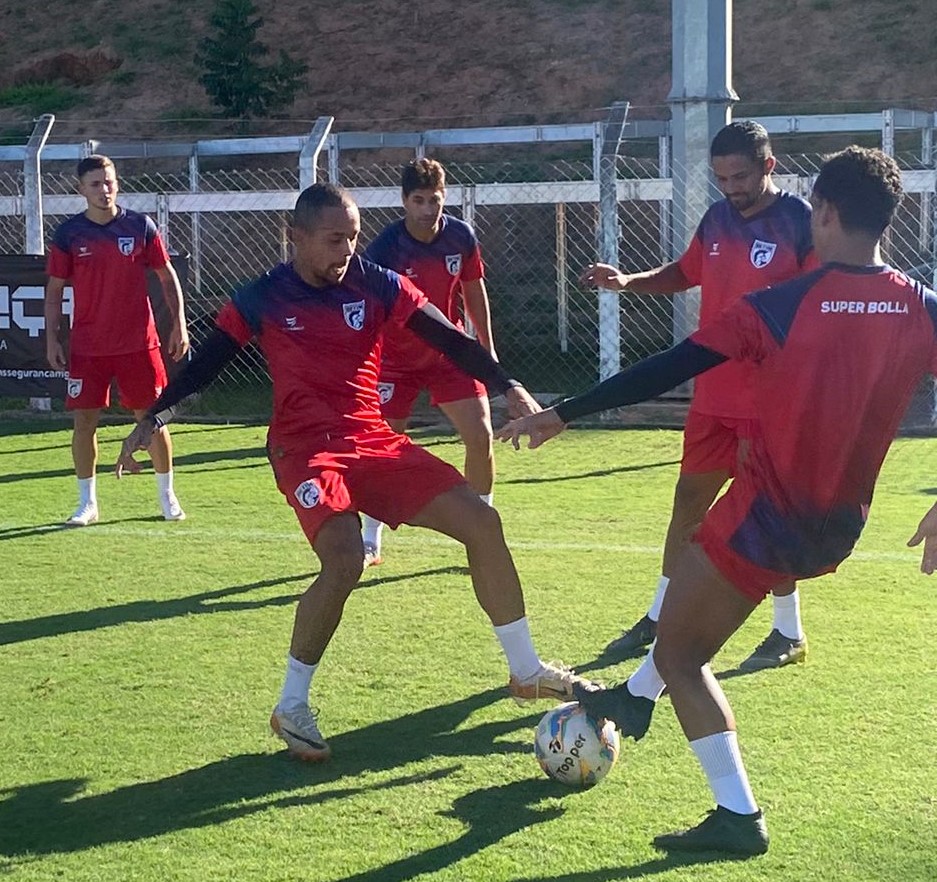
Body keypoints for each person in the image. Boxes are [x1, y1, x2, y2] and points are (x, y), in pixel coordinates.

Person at [498, 146, 936, 855]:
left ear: (821, 212)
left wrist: (564, 412)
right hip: (836, 527)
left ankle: (737, 817)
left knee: (681, 656)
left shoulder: (778, 306)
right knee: (682, 627)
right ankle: (631, 703)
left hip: (764, 516)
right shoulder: (921, 309)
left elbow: (670, 366)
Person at [115, 182, 589, 762]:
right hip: (304, 449)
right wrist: (154, 416)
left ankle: (525, 671)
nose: (348, 249)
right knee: (344, 561)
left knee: (482, 523)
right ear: (296, 237)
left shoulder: (376, 282)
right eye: (335, 238)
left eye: (355, 236)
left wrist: (509, 387)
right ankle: (291, 706)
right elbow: (206, 364)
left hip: (373, 439)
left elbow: (447, 335)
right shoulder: (262, 297)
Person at [582, 121, 816, 671]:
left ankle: (789, 631)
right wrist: (628, 282)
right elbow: (687, 272)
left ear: (769, 166)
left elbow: (820, 302)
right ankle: (660, 614)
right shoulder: (716, 218)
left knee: (768, 515)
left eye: (740, 176)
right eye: (721, 178)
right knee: (687, 503)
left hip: (769, 404)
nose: (731, 187)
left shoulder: (800, 222)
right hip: (712, 396)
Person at [359, 159, 498, 567]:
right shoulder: (385, 247)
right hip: (395, 360)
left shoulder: (460, 236)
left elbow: (474, 291)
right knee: (381, 449)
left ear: (445, 197)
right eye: (418, 200)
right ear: (404, 201)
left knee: (481, 434)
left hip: (449, 351)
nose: (427, 209)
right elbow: (368, 307)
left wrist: (486, 348)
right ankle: (371, 537)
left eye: (434, 199)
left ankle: (482, 528)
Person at [45, 154, 189, 526]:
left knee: (152, 419)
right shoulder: (68, 234)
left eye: (108, 182)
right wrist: (53, 339)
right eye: (95, 183)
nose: (104, 189)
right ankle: (87, 503)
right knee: (84, 422)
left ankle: (167, 495)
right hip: (88, 347)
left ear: (117, 183)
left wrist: (180, 324)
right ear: (81, 190)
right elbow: (55, 289)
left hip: (139, 344)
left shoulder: (140, 226)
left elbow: (166, 274)